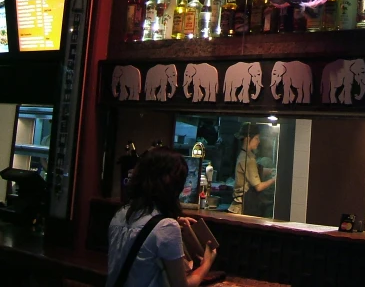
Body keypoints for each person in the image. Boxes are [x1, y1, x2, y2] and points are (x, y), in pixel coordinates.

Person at [106, 147, 216, 287]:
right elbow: (181, 285)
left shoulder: (120, 214)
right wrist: (206, 264)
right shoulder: (167, 227)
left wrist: (172, 221)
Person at [227, 122, 276, 215]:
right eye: (256, 138)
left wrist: (270, 170)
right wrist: (275, 179)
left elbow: (252, 172)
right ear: (248, 139)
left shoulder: (244, 155)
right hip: (241, 208)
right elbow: (259, 187)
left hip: (238, 207)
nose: (259, 141)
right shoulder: (248, 159)